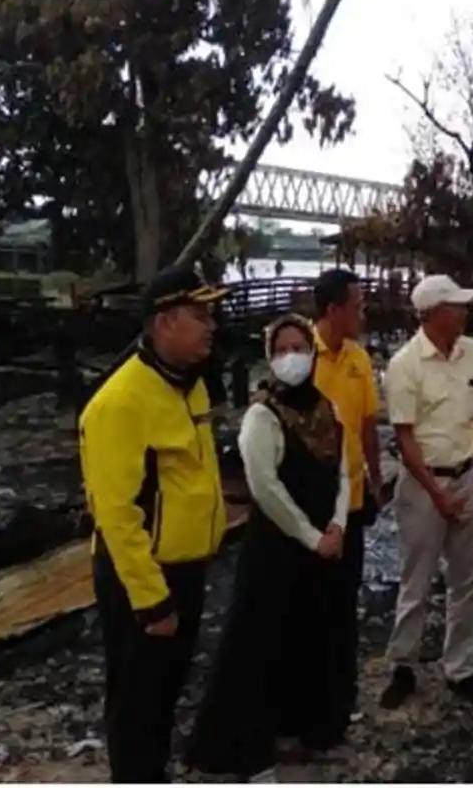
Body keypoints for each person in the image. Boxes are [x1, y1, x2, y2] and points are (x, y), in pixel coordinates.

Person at [78, 264, 230, 783]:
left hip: (185, 569)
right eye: (199, 314)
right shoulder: (119, 403)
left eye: (212, 313)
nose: (211, 325)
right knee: (137, 706)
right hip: (141, 576)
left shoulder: (191, 387)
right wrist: (152, 602)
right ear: (164, 322)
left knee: (165, 697)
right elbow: (116, 515)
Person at [185, 314, 352, 781]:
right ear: (269, 356)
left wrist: (338, 524)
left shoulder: (327, 409)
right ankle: (254, 739)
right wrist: (311, 536)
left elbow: (342, 470)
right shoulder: (262, 415)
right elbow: (265, 488)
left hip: (324, 541)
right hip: (278, 547)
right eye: (282, 349)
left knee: (313, 635)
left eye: (300, 346)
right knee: (264, 638)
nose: (292, 356)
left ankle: (306, 728)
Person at [380, 274, 473, 709]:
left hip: (470, 473)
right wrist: (437, 494)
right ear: (433, 314)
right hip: (422, 482)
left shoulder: (472, 351)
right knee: (416, 578)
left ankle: (461, 667)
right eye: (456, 305)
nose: (465, 312)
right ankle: (402, 664)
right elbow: (405, 439)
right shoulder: (404, 365)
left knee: (467, 578)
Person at [311, 268, 384, 718]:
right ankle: (310, 700)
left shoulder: (358, 358)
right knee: (312, 603)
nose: (363, 313)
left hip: (354, 499)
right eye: (356, 306)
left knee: (344, 601)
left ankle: (342, 697)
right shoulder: (301, 356)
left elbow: (369, 426)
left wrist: (376, 479)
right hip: (316, 504)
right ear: (333, 310)